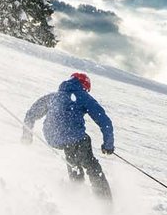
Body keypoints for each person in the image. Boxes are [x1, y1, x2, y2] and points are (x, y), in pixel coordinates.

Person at [21, 71, 114, 200]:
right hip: (74, 138)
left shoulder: (54, 96)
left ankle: (76, 197)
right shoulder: (82, 96)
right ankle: (105, 206)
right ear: (85, 87)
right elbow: (105, 122)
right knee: (92, 166)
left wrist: (27, 135)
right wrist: (108, 146)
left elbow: (31, 113)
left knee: (73, 160)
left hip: (55, 139)